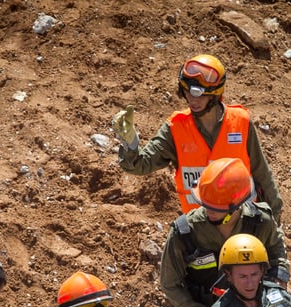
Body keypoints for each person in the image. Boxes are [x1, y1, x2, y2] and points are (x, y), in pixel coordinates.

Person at [158, 158, 290, 307]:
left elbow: (278, 257)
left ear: (235, 205)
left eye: (214, 206)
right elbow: (170, 284)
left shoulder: (260, 223)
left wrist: (274, 292)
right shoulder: (185, 232)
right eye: (204, 203)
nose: (207, 210)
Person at [111, 54, 282, 217]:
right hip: (200, 228)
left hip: (242, 223)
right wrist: (130, 143)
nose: (193, 100)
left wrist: (274, 216)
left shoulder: (241, 123)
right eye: (188, 93)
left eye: (200, 94)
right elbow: (141, 164)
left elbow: (262, 173)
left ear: (215, 93)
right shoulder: (175, 128)